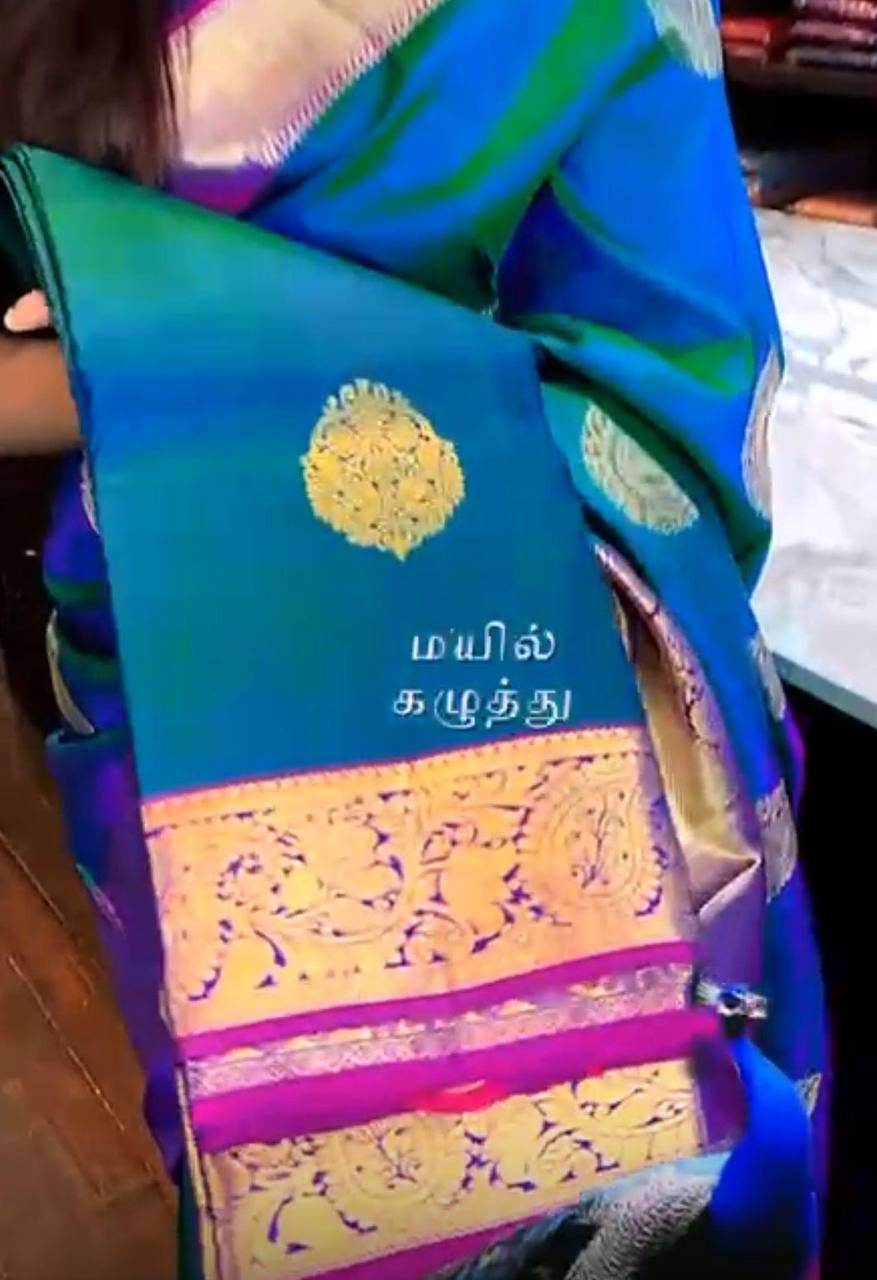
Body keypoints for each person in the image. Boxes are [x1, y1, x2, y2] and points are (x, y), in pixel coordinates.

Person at [0, 2, 825, 1277]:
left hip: (515, 715)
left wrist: (121, 360)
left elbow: (666, 382)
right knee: (247, 1185)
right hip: (142, 711)